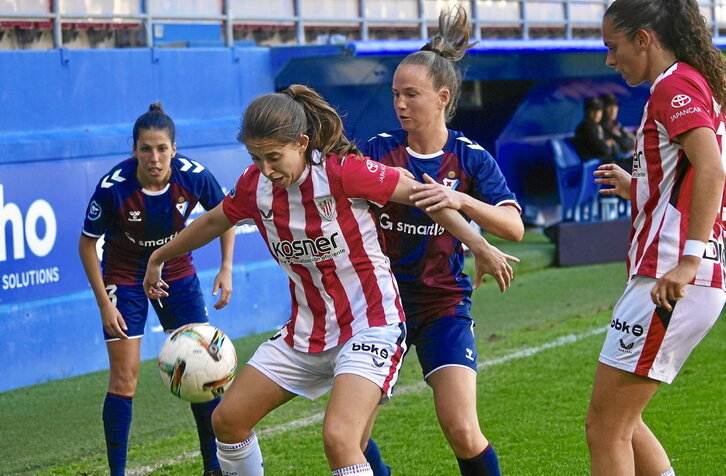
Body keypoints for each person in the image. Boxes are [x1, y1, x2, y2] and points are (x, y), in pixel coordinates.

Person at [142, 84, 518, 476]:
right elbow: (214, 219)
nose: (266, 169)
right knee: (228, 420)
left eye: (273, 157)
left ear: (302, 143)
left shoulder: (343, 172)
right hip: (306, 332)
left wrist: (477, 243)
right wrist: (159, 257)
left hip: (371, 325)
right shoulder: (256, 185)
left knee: (340, 438)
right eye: (256, 157)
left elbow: (424, 194)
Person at [360, 6, 524, 476]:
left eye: (411, 94)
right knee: (353, 434)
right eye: (395, 94)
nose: (401, 104)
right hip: (381, 306)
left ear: (442, 97)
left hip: (443, 304)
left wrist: (464, 205)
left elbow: (513, 228)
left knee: (462, 429)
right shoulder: (377, 151)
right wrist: (480, 246)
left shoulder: (470, 158)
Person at [588, 1, 726, 475]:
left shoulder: (673, 86)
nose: (610, 59)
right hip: (681, 273)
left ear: (643, 38)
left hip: (669, 276)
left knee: (606, 428)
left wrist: (687, 259)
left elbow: (712, 168)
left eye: (614, 46)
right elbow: (689, 175)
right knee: (624, 421)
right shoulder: (690, 81)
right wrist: (638, 187)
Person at [78, 103, 235, 476]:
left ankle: (213, 467)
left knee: (204, 370)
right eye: (146, 149)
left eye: (162, 148)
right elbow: (87, 245)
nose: (154, 157)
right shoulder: (113, 188)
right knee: (125, 377)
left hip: (176, 271)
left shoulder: (193, 177)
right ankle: (117, 471)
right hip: (124, 274)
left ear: (174, 149)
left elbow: (226, 214)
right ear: (134, 150)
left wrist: (226, 267)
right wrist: (104, 303)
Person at [572, 96, 619, 163]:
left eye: (599, 110)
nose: (597, 114)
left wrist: (608, 145)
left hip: (598, 163)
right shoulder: (586, 127)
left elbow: (616, 148)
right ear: (587, 111)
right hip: (590, 166)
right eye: (593, 110)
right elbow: (604, 150)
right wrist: (608, 144)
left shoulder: (597, 126)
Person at [599, 93, 635, 160]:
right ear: (603, 109)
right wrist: (628, 140)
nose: (613, 110)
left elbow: (631, 142)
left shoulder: (615, 124)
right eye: (609, 106)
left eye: (615, 106)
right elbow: (624, 145)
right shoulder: (601, 126)